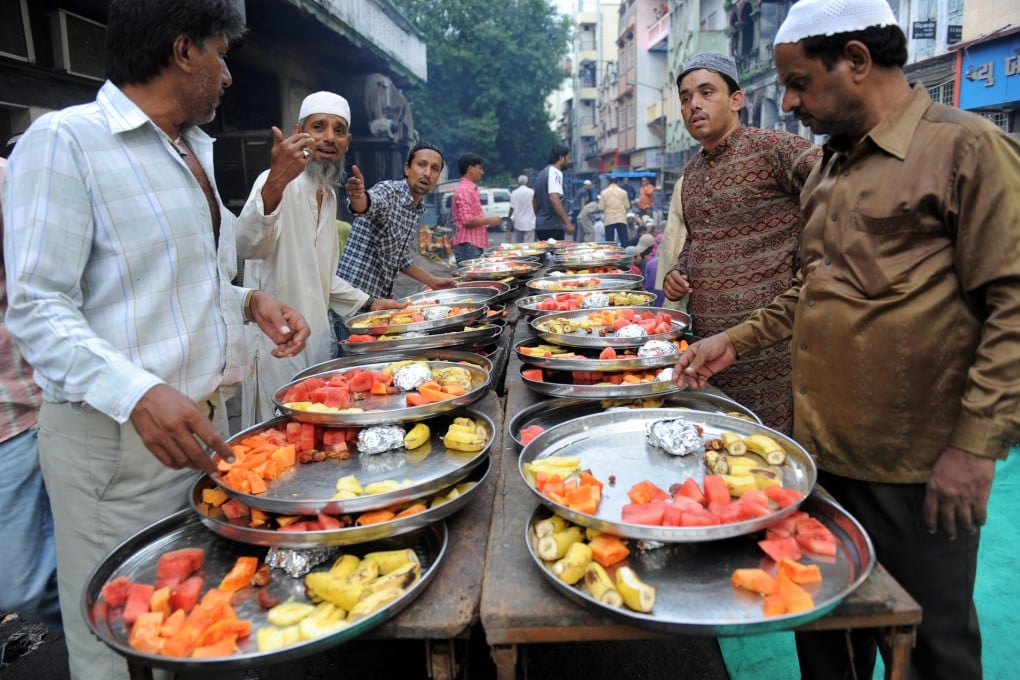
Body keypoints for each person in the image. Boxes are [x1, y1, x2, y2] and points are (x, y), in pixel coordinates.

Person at [674, 2, 1020, 677]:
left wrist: (975, 449)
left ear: (857, 60)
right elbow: (816, 288)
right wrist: (737, 340)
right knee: (823, 630)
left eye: (800, 83)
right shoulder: (831, 167)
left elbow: (1012, 303)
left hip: (915, 464)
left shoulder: (965, 149)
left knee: (930, 643)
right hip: (822, 453)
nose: (793, 102)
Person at [1, 2, 311, 677]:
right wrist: (138, 392)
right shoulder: (65, 143)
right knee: (126, 639)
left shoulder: (189, 151)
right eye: (222, 54)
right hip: (116, 441)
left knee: (202, 619)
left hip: (200, 428)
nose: (228, 76)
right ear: (183, 51)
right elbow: (37, 305)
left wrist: (249, 300)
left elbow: (171, 284)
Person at [662, 51, 819, 434]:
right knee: (718, 446)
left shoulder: (775, 149)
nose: (694, 104)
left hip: (769, 349)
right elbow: (697, 241)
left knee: (767, 452)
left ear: (736, 100)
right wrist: (678, 272)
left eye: (706, 92)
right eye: (685, 97)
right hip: (706, 350)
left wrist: (809, 257)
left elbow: (840, 188)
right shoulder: (693, 171)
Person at [235, 91, 398, 428]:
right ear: (299, 131)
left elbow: (323, 277)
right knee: (278, 436)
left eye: (339, 130)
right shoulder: (273, 182)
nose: (328, 138)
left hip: (319, 340)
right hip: (276, 343)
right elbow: (247, 244)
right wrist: (277, 181)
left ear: (347, 141)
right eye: (319, 127)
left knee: (319, 435)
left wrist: (369, 304)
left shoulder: (328, 192)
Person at [0, 148, 61, 633]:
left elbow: (49, 288)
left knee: (24, 582)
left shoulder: (8, 180)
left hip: (18, 412)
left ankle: (125, 645)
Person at [337, 143, 457, 301]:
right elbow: (367, 205)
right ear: (407, 169)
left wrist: (433, 281)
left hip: (378, 299)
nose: (427, 173)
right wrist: (358, 197)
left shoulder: (414, 209)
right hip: (352, 300)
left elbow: (399, 258)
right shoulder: (389, 191)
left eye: (434, 169)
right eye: (421, 165)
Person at [451, 152, 501, 262]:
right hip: (468, 245)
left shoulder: (470, 189)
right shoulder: (464, 190)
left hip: (472, 245)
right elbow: (468, 221)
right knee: (472, 279)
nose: (482, 172)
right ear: (470, 168)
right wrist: (490, 220)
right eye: (480, 168)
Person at [532, 144, 574, 241]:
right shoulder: (555, 173)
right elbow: (554, 199)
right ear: (561, 158)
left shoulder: (542, 173)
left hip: (541, 226)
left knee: (545, 255)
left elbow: (534, 201)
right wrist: (567, 222)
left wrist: (539, 218)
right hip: (553, 226)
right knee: (555, 256)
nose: (569, 161)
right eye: (568, 157)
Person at [598, 176, 629, 247]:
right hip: (621, 217)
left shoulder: (604, 192)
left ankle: (611, 256)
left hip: (609, 218)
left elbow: (601, 207)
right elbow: (627, 206)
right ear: (617, 182)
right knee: (624, 240)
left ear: (608, 182)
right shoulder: (623, 192)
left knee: (609, 241)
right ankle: (626, 255)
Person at [509, 174, 536, 243]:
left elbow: (512, 207)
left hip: (518, 221)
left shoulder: (514, 193)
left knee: (519, 243)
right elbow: (535, 205)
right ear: (527, 182)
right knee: (529, 243)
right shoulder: (531, 192)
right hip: (530, 221)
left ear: (518, 182)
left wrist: (508, 217)